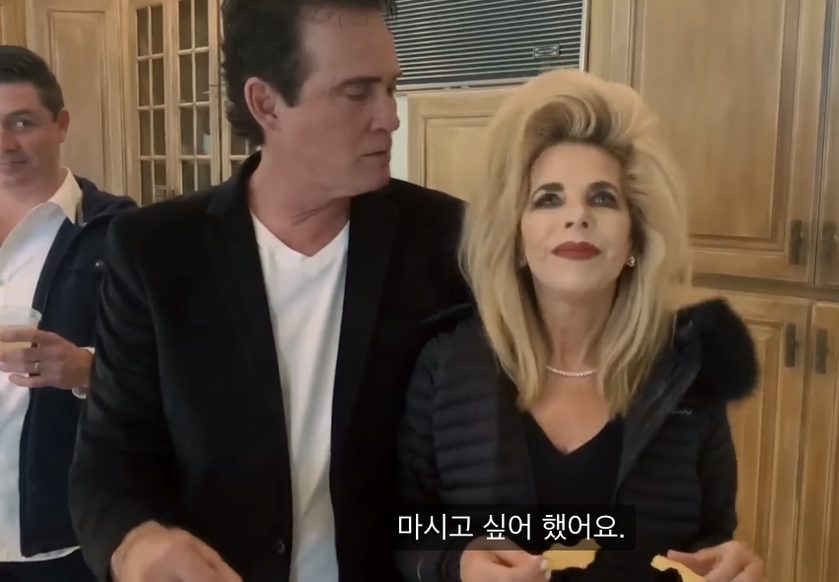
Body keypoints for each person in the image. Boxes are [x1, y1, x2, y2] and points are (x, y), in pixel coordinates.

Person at [66, 1, 470, 581]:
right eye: (357, 92)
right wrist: (136, 543)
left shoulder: (447, 240)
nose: (390, 117)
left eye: (391, 88)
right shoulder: (155, 252)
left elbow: (477, 458)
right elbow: (110, 458)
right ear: (266, 103)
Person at [395, 69, 766, 582]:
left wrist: (730, 565)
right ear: (516, 238)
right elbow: (407, 531)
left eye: (603, 198)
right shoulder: (445, 366)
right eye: (548, 198)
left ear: (635, 238)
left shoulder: (688, 374)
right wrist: (456, 565)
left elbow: (709, 538)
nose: (578, 217)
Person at [0, 45, 136, 581]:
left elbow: (172, 372)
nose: (4, 143)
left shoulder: (120, 233)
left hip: (60, 539)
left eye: (22, 123)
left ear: (61, 125)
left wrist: (86, 368)